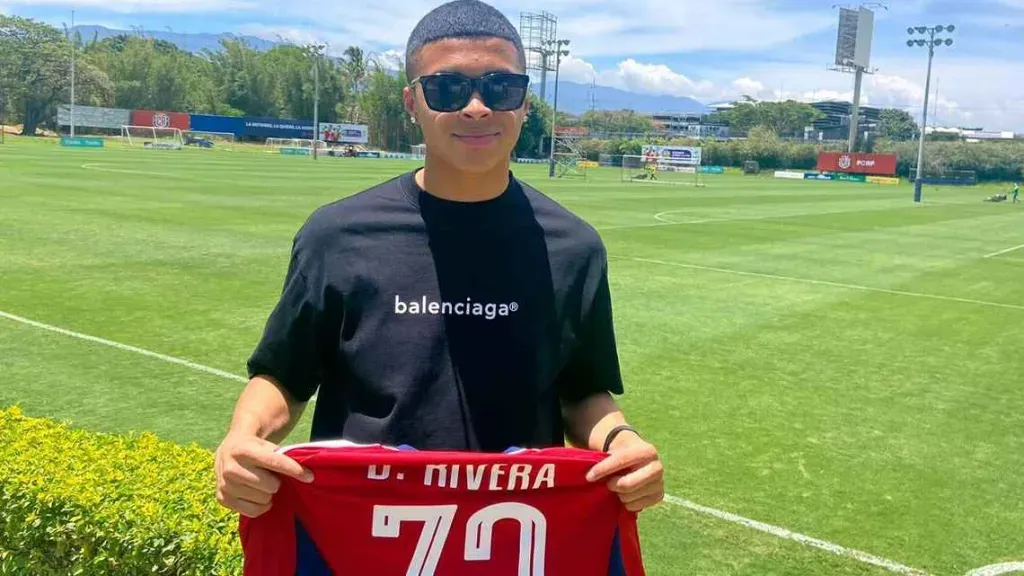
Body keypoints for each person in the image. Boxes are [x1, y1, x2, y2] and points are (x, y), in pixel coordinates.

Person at [214, 0, 664, 524]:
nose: (476, 107)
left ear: (524, 103)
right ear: (411, 101)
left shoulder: (574, 246)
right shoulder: (336, 234)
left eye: (501, 87)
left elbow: (581, 391)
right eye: (446, 89)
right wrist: (241, 441)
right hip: (362, 532)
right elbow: (284, 377)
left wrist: (623, 441)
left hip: (513, 535)